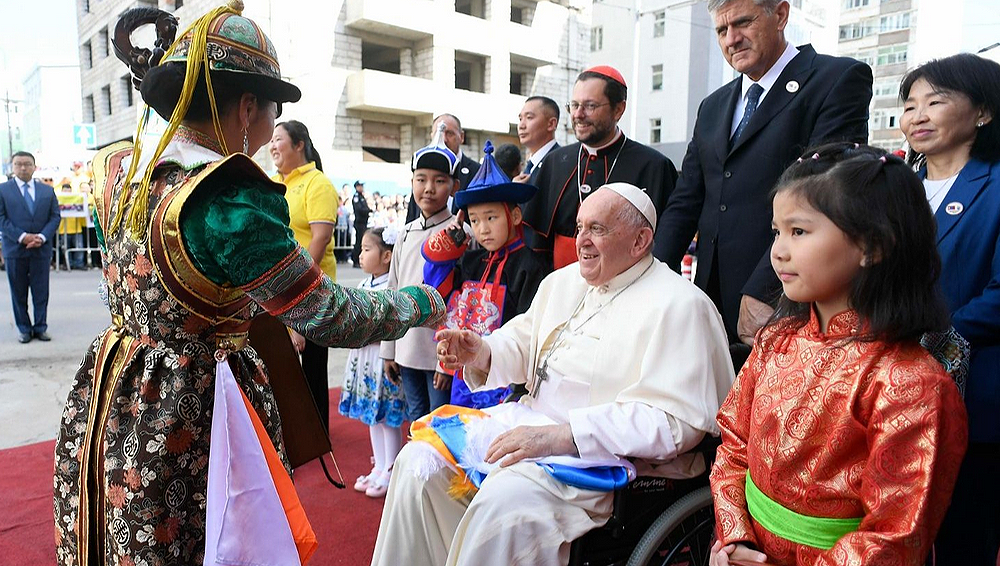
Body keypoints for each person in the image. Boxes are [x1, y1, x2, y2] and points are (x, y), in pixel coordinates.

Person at [52, 4, 445, 565]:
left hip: (116, 383)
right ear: (245, 107)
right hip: (190, 401)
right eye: (271, 110)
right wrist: (418, 302)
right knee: (207, 535)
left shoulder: (120, 169)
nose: (269, 131)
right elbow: (327, 313)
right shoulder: (227, 197)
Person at [372, 183, 735, 566]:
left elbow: (675, 423)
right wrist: (481, 352)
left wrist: (564, 436)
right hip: (529, 424)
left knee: (503, 507)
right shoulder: (564, 281)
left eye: (597, 229)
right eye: (579, 228)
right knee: (419, 463)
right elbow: (524, 340)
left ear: (640, 240)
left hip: (604, 465)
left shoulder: (681, 305)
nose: (582, 241)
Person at [709, 144, 967, 566]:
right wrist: (734, 536)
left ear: (872, 245)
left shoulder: (909, 383)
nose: (778, 251)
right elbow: (734, 443)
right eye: (776, 232)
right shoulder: (776, 340)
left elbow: (893, 535)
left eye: (799, 231)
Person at [653, 0, 873, 344]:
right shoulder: (713, 106)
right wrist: (651, 277)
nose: (732, 39)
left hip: (783, 298)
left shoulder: (836, 80)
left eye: (743, 23)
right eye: (721, 30)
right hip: (708, 300)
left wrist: (764, 288)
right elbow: (686, 200)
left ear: (780, 15)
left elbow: (823, 195)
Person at [898, 53, 1000, 565]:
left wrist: (928, 336)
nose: (917, 115)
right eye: (909, 105)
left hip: (974, 394)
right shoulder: (894, 189)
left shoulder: (996, 185)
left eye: (935, 102)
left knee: (964, 537)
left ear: (982, 112)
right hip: (893, 390)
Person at [422, 141, 551, 408]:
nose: (483, 229)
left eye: (491, 218)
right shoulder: (470, 261)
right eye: (475, 220)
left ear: (515, 216)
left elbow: (532, 333)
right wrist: (447, 249)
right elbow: (437, 295)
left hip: (507, 382)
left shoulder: (532, 267)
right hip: (464, 380)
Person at [523, 66, 678, 269]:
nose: (578, 114)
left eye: (590, 106)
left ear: (618, 109)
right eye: (574, 105)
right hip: (560, 281)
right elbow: (537, 243)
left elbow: (664, 246)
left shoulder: (654, 166)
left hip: (625, 282)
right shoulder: (555, 161)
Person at [381, 140, 463, 422]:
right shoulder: (405, 233)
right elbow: (392, 292)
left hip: (439, 351)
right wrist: (388, 350)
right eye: (421, 179)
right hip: (407, 347)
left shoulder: (459, 233)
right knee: (416, 418)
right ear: (412, 183)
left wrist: (447, 363)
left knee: (441, 420)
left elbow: (461, 302)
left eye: (439, 181)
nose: (428, 188)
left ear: (454, 186)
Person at [270, 119, 339, 430]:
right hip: (275, 290)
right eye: (271, 140)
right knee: (280, 367)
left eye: (279, 139)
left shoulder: (317, 183)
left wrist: (295, 289)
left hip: (311, 290)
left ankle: (316, 434)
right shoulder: (271, 183)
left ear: (299, 145)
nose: (272, 146)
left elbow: (319, 240)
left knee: (312, 369)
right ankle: (290, 432)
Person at [340, 227, 409, 499]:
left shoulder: (391, 288)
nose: (361, 255)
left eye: (367, 249)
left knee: (387, 417)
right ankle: (378, 465)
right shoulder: (363, 286)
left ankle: (391, 469)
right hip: (364, 358)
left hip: (381, 357)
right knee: (372, 415)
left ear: (387, 256)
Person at [0, 151, 61, 343]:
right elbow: (1, 218)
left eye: (27, 164)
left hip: (41, 249)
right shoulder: (3, 190)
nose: (23, 167)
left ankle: (40, 327)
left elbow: (55, 217)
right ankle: (24, 329)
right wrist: (23, 237)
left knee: (41, 291)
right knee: (18, 292)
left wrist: (41, 237)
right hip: (14, 249)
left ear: (34, 167)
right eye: (18, 164)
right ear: (12, 167)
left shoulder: (47, 191)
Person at [405, 113, 481, 223]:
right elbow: (413, 215)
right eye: (438, 133)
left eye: (449, 133)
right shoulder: (421, 166)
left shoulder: (477, 172)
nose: (443, 139)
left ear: (461, 136)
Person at [512, 95, 560, 186]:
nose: (521, 126)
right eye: (520, 119)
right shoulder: (530, 166)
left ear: (551, 124)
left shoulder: (561, 163)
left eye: (529, 117)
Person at [352, 179, 371, 266]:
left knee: (361, 240)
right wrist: (367, 210)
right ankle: (356, 260)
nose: (362, 187)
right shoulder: (356, 197)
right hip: (359, 222)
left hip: (363, 222)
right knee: (359, 241)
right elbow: (359, 209)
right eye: (360, 186)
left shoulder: (361, 197)